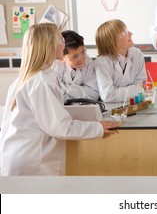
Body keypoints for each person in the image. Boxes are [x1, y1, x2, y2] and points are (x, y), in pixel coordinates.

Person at [0, 23, 120, 176]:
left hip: (18, 154)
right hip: (32, 159)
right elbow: (60, 127)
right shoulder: (41, 82)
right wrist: (97, 128)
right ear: (49, 46)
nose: (63, 44)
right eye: (60, 40)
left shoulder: (27, 78)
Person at [95, 19, 147, 103]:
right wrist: (137, 89)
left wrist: (117, 92)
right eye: (124, 32)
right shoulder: (101, 62)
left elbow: (144, 88)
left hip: (135, 105)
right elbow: (108, 96)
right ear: (111, 41)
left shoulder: (137, 54)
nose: (130, 34)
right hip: (110, 109)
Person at [53, 30, 99, 101]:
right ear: (62, 57)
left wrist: (66, 88)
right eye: (75, 56)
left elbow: (94, 94)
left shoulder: (88, 62)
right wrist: (81, 90)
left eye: (83, 52)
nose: (81, 59)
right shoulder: (56, 65)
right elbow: (55, 95)